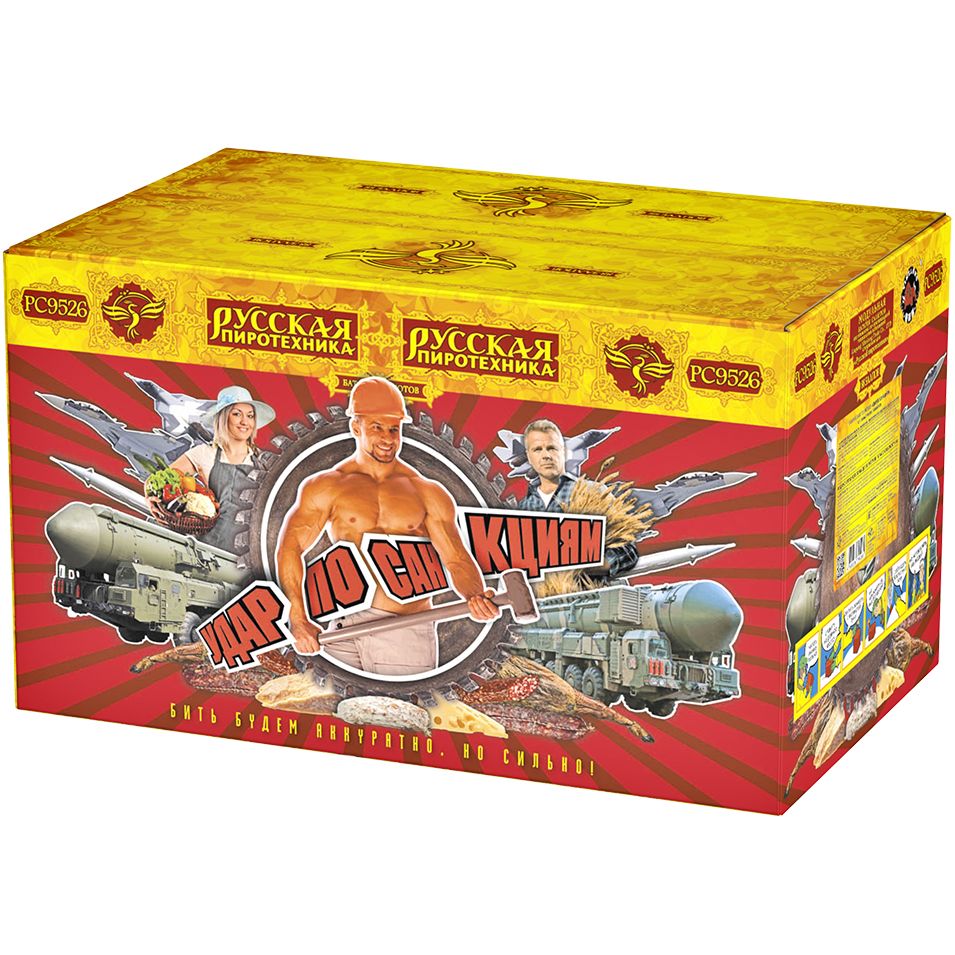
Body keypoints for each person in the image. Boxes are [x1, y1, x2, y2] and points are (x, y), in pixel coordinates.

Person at [276, 377, 499, 676]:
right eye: (377, 427)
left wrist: (474, 595)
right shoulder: (327, 486)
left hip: (403, 629)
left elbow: (455, 558)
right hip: (342, 626)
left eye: (394, 429)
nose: (387, 438)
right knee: (329, 704)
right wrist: (298, 616)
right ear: (356, 427)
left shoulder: (426, 491)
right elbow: (290, 547)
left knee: (397, 708)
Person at [518, 418, 640, 577]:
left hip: (587, 591)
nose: (546, 455)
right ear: (529, 456)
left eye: (552, 448)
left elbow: (628, 550)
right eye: (537, 449)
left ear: (563, 451)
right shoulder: (523, 507)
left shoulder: (593, 492)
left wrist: (582, 567)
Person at [170, 385, 275, 553]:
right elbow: (166, 480)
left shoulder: (265, 463)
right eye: (236, 414)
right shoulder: (205, 453)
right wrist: (154, 501)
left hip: (248, 555)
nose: (245, 422)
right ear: (223, 418)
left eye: (250, 416)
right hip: (206, 552)